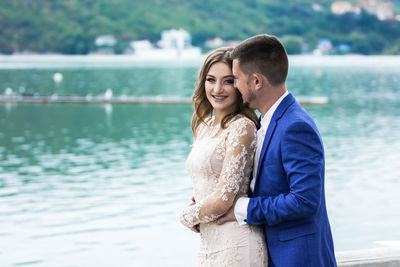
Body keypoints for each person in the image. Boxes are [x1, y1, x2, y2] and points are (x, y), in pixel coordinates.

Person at [216, 34, 337, 267]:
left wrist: (242, 207)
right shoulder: (266, 122)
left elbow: (304, 200)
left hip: (298, 259)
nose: (235, 86)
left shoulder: (296, 126)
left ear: (256, 82)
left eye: (237, 79)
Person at [180, 47, 268, 266]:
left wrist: (187, 216)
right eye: (211, 80)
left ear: (240, 84)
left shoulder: (242, 127)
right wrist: (198, 205)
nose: (217, 89)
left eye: (228, 81)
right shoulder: (205, 126)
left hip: (236, 241)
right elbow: (206, 183)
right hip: (208, 242)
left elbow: (224, 198)